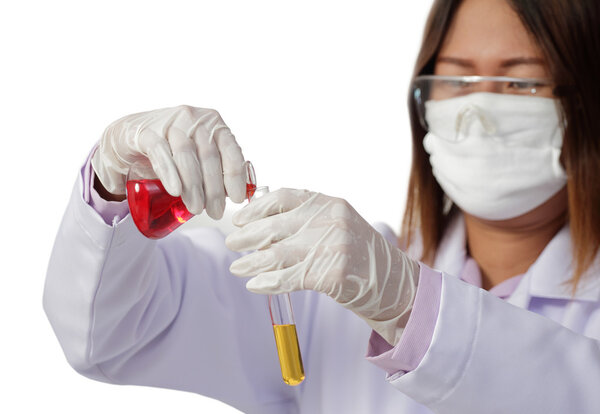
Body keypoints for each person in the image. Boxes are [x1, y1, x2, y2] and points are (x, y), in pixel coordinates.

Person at [43, 0, 600, 412]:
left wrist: (413, 308)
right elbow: (112, 337)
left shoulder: (378, 283)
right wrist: (114, 187)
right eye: (455, 80)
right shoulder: (335, 285)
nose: (478, 108)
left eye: (521, 83)